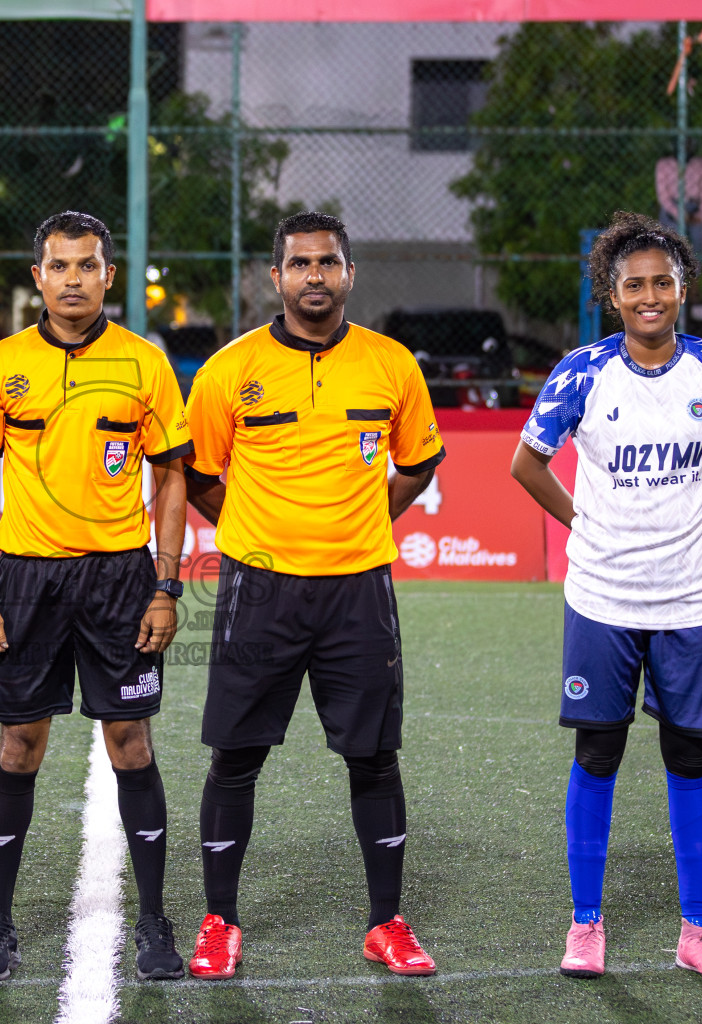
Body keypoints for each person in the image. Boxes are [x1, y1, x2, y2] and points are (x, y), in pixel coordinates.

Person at [510, 211, 702, 984]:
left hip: (694, 600)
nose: (651, 295)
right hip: (603, 598)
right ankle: (585, 924)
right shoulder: (582, 373)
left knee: (689, 756)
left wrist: (699, 519)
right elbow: (528, 464)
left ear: (682, 287)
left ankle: (698, 931)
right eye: (635, 285)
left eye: (663, 282)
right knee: (599, 751)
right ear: (612, 295)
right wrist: (581, 520)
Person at [182, 211, 446, 980]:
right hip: (258, 591)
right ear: (277, 278)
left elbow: (419, 461)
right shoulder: (230, 370)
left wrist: (368, 519)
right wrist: (254, 536)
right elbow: (200, 474)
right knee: (235, 757)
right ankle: (220, 922)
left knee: (374, 758)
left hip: (358, 590)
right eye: (299, 264)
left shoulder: (391, 364)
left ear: (349, 274)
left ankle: (386, 924)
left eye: (328, 263)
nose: (314, 277)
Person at [0, 211, 193, 982]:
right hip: (24, 579)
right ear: (38, 277)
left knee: (132, 743)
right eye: (59, 267)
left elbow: (174, 476)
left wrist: (165, 584)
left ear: (108, 276)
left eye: (87, 266)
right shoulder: (0, 364)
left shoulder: (144, 363)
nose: (73, 280)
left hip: (120, 577)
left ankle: (154, 922)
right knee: (19, 746)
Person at [655, 153, 702, 252]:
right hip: (672, 206)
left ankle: (696, 267)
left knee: (699, 238)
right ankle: (674, 266)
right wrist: (678, 214)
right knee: (673, 237)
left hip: (694, 206)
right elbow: (663, 196)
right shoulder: (664, 164)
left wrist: (700, 214)